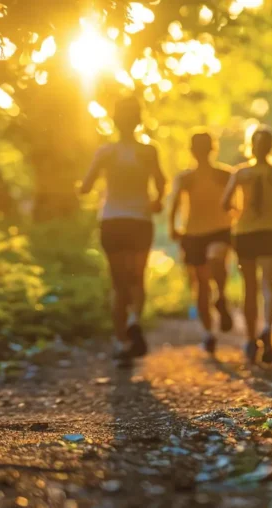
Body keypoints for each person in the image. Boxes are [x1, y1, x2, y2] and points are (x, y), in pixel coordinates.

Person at [80, 97, 166, 368]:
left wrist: (80, 190)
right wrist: (156, 200)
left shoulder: (105, 152)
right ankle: (134, 321)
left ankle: (120, 343)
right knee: (137, 278)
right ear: (139, 119)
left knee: (118, 283)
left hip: (113, 221)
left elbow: (86, 186)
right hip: (140, 219)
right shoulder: (148, 151)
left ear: (115, 121)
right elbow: (161, 183)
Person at [222, 125, 272, 364]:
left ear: (250, 146)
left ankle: (250, 338)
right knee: (268, 286)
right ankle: (267, 331)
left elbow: (225, 204)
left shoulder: (240, 173)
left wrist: (239, 213)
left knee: (250, 288)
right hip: (271, 232)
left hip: (245, 233)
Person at [169, 131, 235, 355]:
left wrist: (172, 226)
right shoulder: (186, 177)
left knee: (213, 266)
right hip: (195, 233)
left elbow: (235, 203)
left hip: (218, 231)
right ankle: (209, 332)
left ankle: (222, 298)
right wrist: (173, 227)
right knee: (201, 285)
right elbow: (176, 203)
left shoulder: (225, 174)